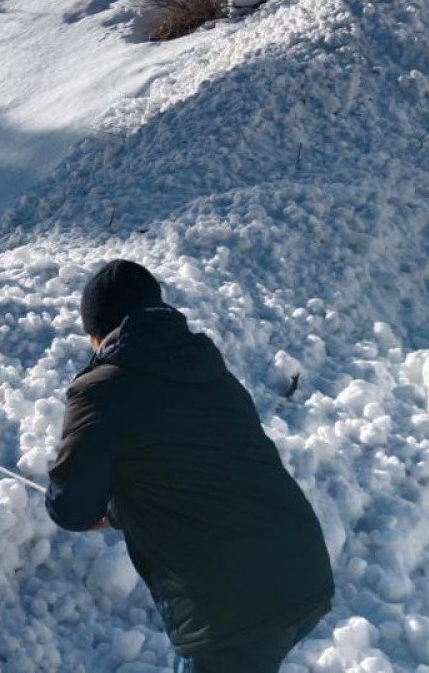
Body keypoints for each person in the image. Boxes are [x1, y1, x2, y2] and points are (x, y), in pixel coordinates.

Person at [46, 259, 333, 672]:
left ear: (97, 332)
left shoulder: (99, 390)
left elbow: (72, 508)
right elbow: (196, 469)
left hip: (232, 608)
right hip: (302, 569)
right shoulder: (207, 366)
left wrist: (111, 510)